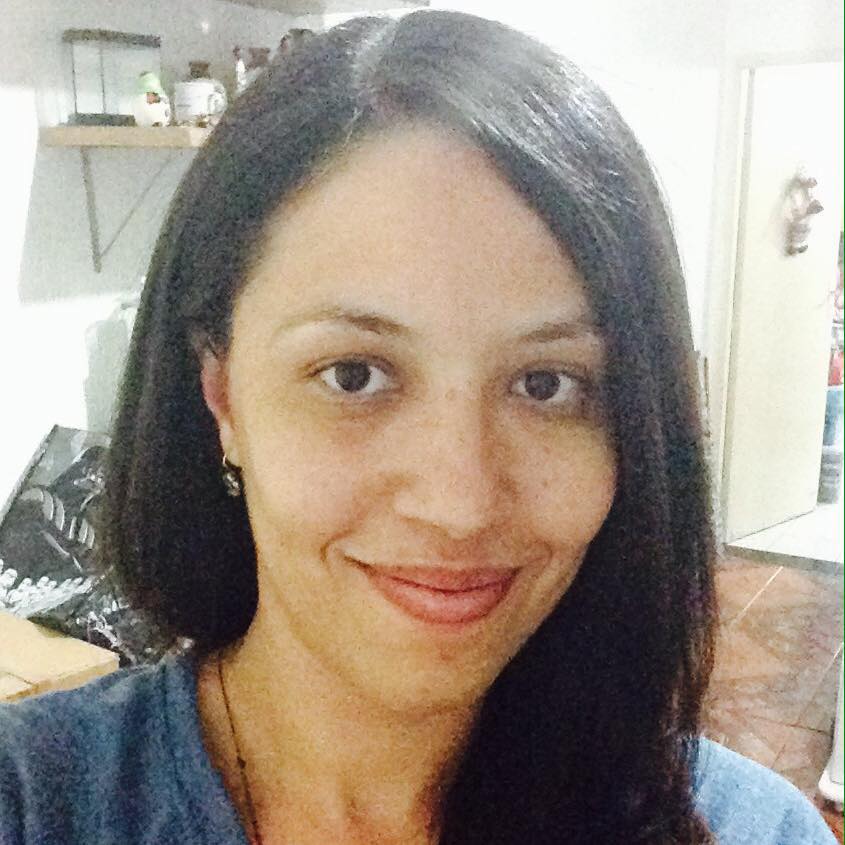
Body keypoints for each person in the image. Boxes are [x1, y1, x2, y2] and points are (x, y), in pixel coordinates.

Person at [0, 10, 837, 845]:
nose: (459, 505)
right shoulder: (35, 803)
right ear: (220, 394)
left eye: (545, 384)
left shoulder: (750, 831)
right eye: (354, 374)